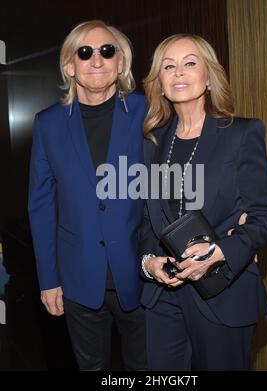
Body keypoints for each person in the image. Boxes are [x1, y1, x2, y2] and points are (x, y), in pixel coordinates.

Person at [139, 33, 267, 371]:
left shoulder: (241, 134)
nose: (179, 73)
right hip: (165, 297)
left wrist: (220, 253)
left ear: (209, 76)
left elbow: (263, 216)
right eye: (168, 67)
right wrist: (149, 263)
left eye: (190, 63)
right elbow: (147, 221)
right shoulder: (153, 144)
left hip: (223, 293)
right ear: (159, 83)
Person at [28, 20, 146, 371]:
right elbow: (42, 205)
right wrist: (49, 280)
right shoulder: (47, 123)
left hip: (144, 275)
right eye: (85, 52)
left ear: (121, 63)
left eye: (107, 51)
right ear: (69, 65)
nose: (97, 60)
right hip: (78, 280)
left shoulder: (148, 111)